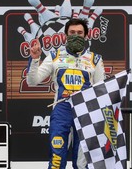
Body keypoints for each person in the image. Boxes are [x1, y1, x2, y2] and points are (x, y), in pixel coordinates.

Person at [26, 18, 105, 169]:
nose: (76, 35)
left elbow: (101, 91)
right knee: (56, 159)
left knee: (83, 163)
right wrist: (35, 59)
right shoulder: (55, 55)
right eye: (72, 32)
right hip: (63, 112)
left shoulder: (95, 59)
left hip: (86, 114)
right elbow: (32, 81)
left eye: (80, 33)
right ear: (65, 35)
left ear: (86, 36)